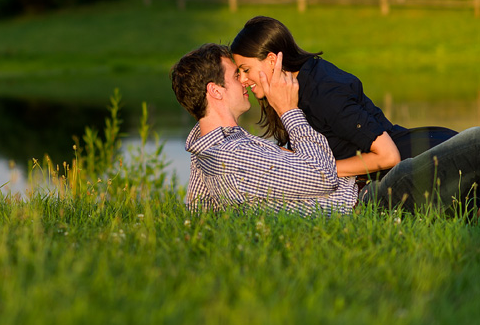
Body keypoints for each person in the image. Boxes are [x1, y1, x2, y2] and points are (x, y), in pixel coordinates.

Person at [229, 16, 480, 215]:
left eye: (245, 69)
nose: (242, 79)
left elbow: (388, 156)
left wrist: (317, 170)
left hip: (421, 162)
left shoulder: (322, 92)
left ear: (272, 60)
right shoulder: (291, 91)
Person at [171, 43, 357, 215]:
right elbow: (324, 177)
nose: (244, 81)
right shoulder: (233, 153)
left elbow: (198, 212)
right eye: (236, 76)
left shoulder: (204, 148)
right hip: (356, 202)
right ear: (215, 91)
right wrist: (289, 110)